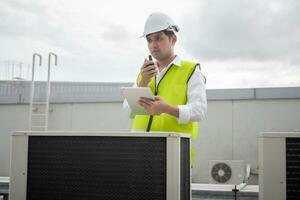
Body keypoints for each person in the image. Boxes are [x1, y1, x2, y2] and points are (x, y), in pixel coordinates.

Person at [124, 12, 207, 164]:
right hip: (139, 154)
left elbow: (199, 110)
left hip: (173, 154)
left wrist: (166, 109)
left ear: (173, 39)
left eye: (159, 38)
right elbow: (128, 110)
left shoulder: (190, 70)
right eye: (149, 40)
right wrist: (143, 82)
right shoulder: (143, 73)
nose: (153, 45)